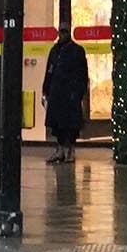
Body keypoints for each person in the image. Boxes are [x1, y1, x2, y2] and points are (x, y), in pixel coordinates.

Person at [41, 35, 91, 165]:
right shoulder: (55, 50)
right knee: (58, 124)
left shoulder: (76, 51)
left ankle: (70, 150)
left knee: (70, 124)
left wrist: (79, 91)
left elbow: (82, 73)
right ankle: (61, 149)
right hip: (57, 92)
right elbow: (49, 70)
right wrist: (46, 89)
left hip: (70, 93)